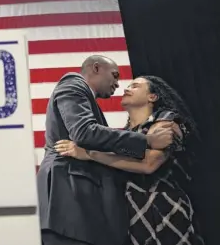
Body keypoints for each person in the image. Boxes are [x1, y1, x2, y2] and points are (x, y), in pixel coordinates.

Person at [37, 55, 176, 245]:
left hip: (87, 209)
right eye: (115, 75)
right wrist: (147, 140)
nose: (119, 84)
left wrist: (89, 154)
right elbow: (84, 132)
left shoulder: (168, 120)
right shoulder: (72, 85)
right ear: (96, 68)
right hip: (69, 200)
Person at [55, 76, 204, 245]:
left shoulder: (167, 122)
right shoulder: (125, 135)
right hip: (130, 214)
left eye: (135, 86)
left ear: (152, 97)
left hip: (164, 208)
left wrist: (89, 154)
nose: (126, 89)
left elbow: (149, 164)